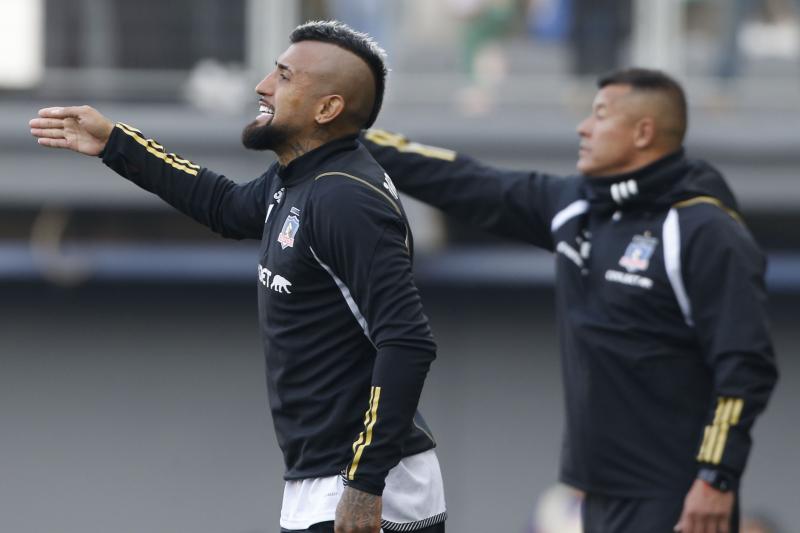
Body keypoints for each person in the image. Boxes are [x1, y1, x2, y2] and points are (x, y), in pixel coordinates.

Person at [29, 21, 446, 533]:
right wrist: (116, 143)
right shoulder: (304, 176)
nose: (263, 86)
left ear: (327, 109)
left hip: (367, 486)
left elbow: (407, 341)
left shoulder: (344, 198)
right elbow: (226, 206)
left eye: (284, 77)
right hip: (325, 478)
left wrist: (365, 483)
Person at [360, 68, 778, 533]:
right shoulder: (578, 205)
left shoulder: (704, 229)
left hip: (675, 495)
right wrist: (348, 137)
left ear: (643, 133)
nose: (583, 128)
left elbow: (746, 365)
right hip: (595, 494)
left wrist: (716, 477)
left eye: (600, 115)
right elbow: (466, 180)